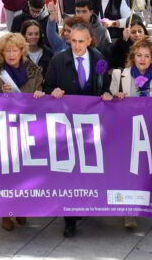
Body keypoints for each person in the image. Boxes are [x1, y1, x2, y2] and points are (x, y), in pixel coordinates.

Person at [43, 22, 110, 238]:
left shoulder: (99, 57)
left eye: (81, 41)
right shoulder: (58, 60)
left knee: (88, 168)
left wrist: (108, 93)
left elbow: (106, 83)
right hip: (67, 124)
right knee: (70, 171)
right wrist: (52, 91)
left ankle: (85, 206)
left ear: (90, 40)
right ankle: (69, 218)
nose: (77, 46)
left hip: (92, 124)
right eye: (73, 41)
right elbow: (46, 87)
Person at [108, 37, 152, 230]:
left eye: (146, 56)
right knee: (129, 170)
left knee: (145, 169)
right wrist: (115, 97)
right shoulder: (121, 75)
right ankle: (129, 212)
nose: (142, 59)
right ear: (132, 57)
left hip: (149, 130)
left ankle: (146, 202)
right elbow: (108, 98)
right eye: (139, 55)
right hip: (126, 130)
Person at [0, 32, 43, 232]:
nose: (10, 54)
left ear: (21, 51)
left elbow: (41, 91)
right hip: (3, 126)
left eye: (14, 50)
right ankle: (5, 212)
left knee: (25, 171)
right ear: (1, 52)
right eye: (6, 50)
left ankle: (21, 207)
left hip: (28, 126)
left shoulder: (33, 70)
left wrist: (39, 94)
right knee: (6, 172)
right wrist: (1, 95)